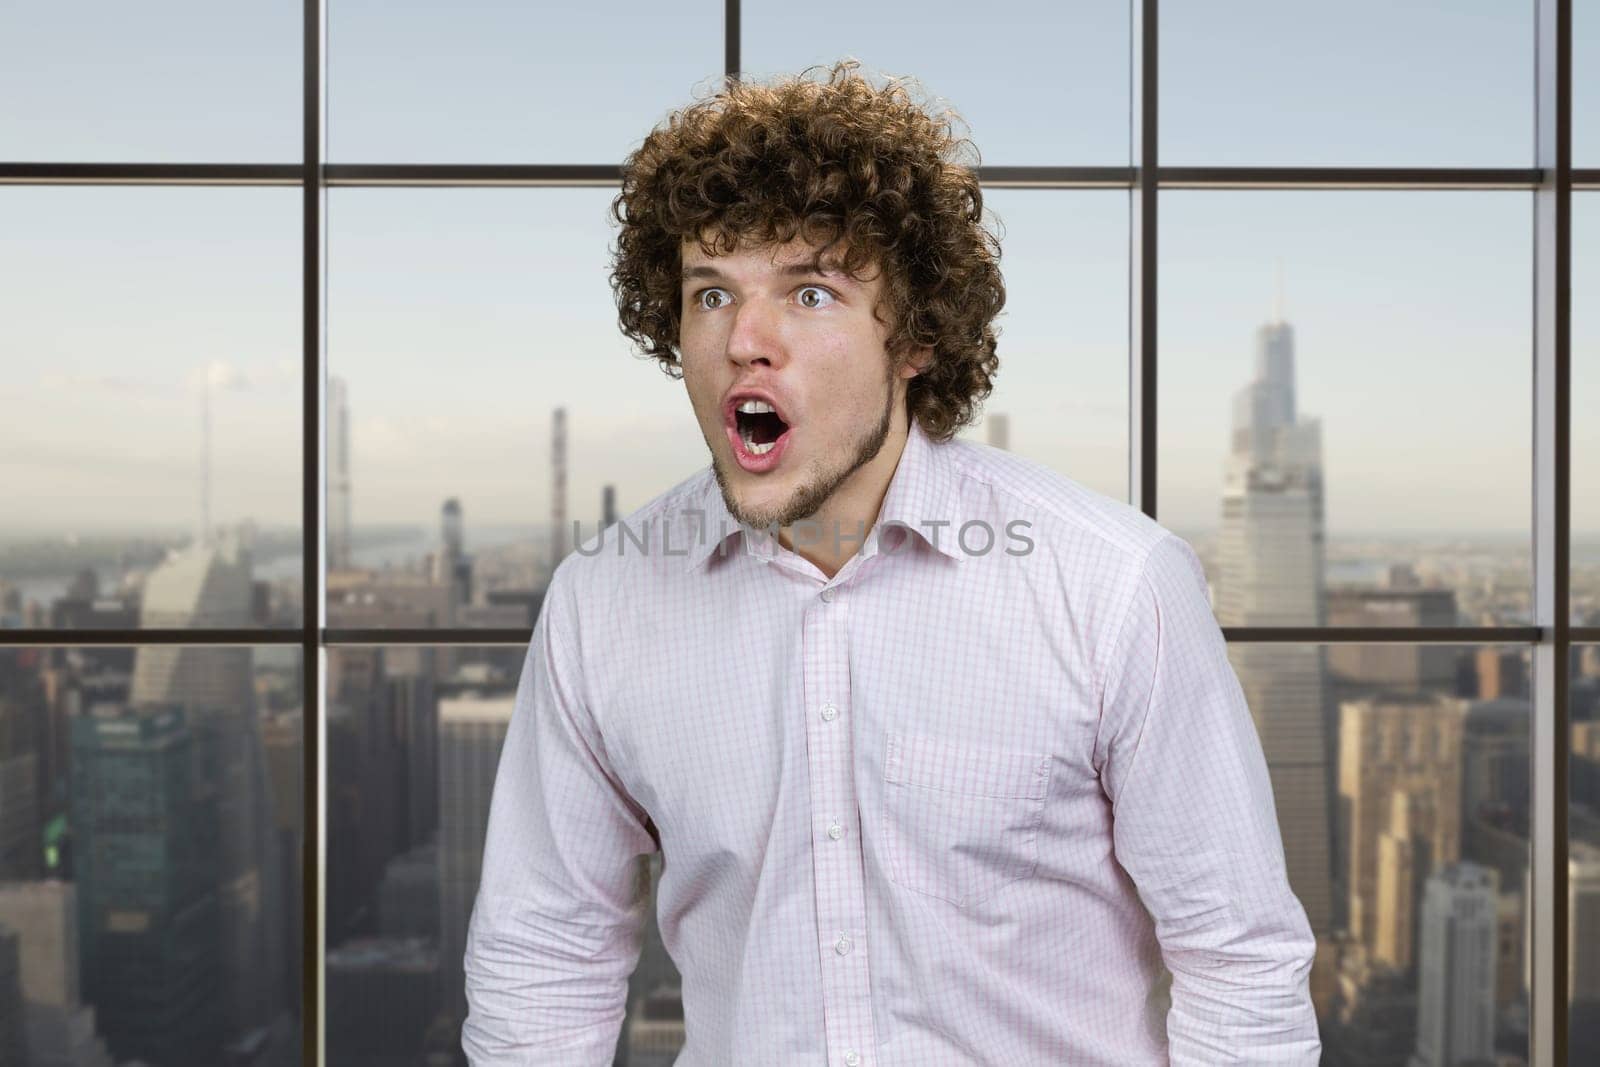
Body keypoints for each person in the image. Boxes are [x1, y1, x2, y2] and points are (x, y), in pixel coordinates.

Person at [461, 60, 1320, 1065]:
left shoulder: (1113, 583)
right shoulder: (602, 601)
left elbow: (1238, 957)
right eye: (709, 293)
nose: (745, 338)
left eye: (811, 291)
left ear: (911, 337)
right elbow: (543, 950)